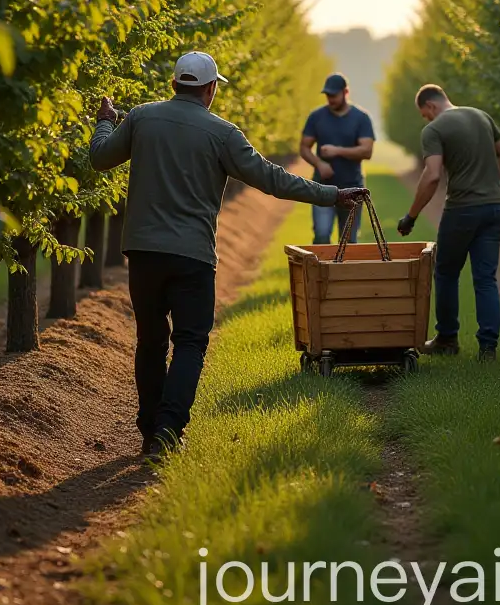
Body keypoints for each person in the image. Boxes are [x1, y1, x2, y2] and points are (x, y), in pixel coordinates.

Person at [89, 51, 367, 461]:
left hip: (143, 252)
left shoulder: (142, 118)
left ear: (173, 85)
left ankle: (149, 429)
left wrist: (105, 120)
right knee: (190, 342)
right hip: (193, 255)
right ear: (210, 89)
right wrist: (333, 195)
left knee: (150, 340)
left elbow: (100, 158)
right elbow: (272, 179)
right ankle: (167, 431)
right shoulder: (222, 132)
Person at [396, 84, 500, 361]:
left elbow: (433, 175)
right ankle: (488, 349)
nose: (426, 120)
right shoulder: (481, 116)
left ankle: (447, 339)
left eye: (425, 114)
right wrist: (494, 189)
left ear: (431, 106)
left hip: (463, 209)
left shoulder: (435, 130)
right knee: (485, 278)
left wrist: (411, 216)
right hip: (495, 208)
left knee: (447, 272)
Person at [299, 73, 376, 245]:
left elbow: (367, 151)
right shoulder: (316, 117)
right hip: (322, 188)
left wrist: (337, 151)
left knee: (349, 242)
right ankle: (321, 272)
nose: (330, 99)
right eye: (327, 95)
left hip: (353, 189)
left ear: (345, 92)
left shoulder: (361, 118)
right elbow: (304, 147)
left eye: (334, 95)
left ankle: (344, 273)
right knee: (321, 237)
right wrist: (319, 163)